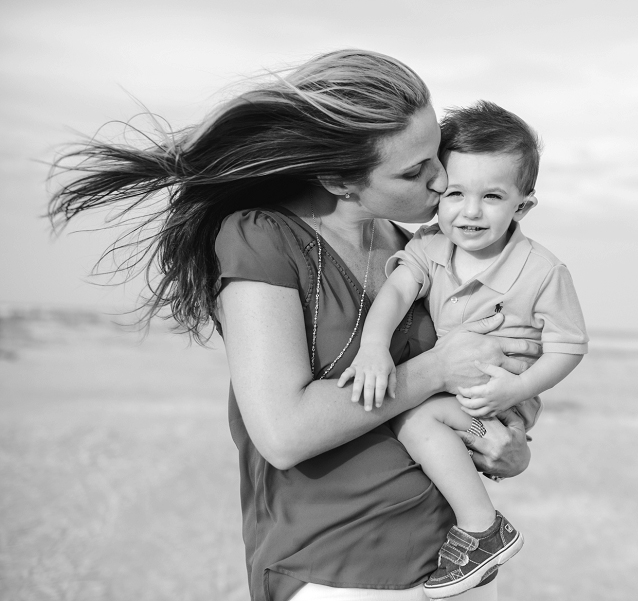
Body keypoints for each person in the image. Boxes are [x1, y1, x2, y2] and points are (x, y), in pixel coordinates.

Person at [46, 50, 538, 601]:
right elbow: (283, 432)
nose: (442, 180)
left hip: (458, 565)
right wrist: (437, 366)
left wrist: (507, 448)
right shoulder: (262, 238)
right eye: (413, 170)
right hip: (335, 569)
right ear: (339, 179)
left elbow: (469, 398)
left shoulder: (418, 251)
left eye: (435, 155)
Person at [338, 101, 589, 598]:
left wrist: (515, 389)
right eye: (455, 193)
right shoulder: (430, 246)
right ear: (437, 193)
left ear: (522, 205)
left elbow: (568, 346)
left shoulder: (542, 271)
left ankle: (482, 527)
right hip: (457, 391)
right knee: (418, 418)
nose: (470, 211)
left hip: (502, 396)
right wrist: (373, 347)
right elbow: (397, 291)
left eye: (492, 196)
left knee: (416, 419)